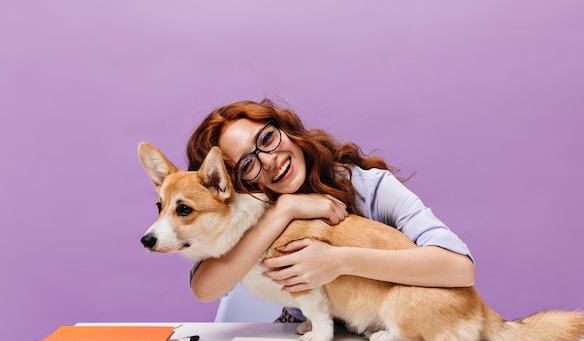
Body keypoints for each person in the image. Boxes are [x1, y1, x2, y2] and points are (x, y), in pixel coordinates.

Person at [186, 99, 475, 322]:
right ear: (235, 184)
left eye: (266, 139)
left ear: (286, 130)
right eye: (248, 165)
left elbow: (460, 268)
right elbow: (205, 289)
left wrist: (338, 261)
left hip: (391, 332)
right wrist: (283, 211)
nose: (270, 160)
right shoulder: (254, 216)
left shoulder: (368, 187)